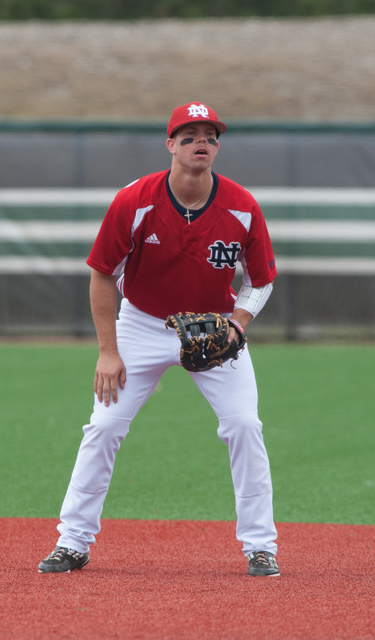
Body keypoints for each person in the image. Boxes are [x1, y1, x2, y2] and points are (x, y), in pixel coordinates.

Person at [38, 102, 280, 577]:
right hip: (142, 326)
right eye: (189, 135)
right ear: (170, 145)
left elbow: (262, 278)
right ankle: (73, 542)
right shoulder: (135, 200)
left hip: (214, 329)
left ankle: (260, 546)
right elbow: (102, 274)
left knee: (245, 427)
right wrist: (108, 351)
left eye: (209, 136)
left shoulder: (242, 206)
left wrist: (237, 324)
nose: (201, 143)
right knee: (104, 427)